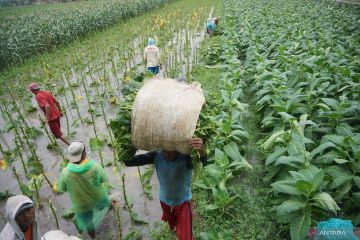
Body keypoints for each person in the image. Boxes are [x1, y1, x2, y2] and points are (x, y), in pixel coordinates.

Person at [124, 138, 207, 240]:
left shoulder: (186, 158)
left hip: (183, 203)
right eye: (163, 149)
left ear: (177, 147)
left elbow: (204, 163)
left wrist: (202, 152)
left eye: (169, 149)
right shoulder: (156, 155)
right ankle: (176, 228)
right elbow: (128, 162)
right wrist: (130, 146)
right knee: (172, 224)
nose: (166, 153)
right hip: (165, 201)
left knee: (186, 237)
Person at [58, 141, 115, 239]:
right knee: (108, 204)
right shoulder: (94, 166)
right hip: (98, 198)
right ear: (84, 154)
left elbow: (62, 188)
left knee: (89, 224)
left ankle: (93, 237)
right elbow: (103, 179)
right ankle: (115, 220)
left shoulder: (65, 172)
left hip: (81, 205)